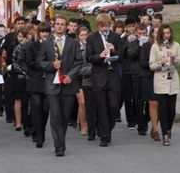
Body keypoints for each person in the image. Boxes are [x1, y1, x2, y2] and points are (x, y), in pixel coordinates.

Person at [37, 15, 83, 157]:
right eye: (57, 24)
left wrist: (71, 75)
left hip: (68, 83)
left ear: (67, 27)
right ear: (54, 26)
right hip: (52, 84)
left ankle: (61, 140)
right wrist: (51, 65)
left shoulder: (73, 43)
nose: (60, 26)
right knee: (55, 115)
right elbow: (39, 62)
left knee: (64, 116)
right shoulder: (46, 43)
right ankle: (59, 146)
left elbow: (79, 61)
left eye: (63, 24)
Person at [86, 13, 122, 147]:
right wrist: (100, 56)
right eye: (102, 26)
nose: (104, 29)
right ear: (98, 26)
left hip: (112, 77)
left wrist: (114, 51)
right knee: (101, 107)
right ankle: (104, 136)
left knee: (113, 106)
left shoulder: (115, 37)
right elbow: (89, 57)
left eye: (107, 26)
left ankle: (107, 129)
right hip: (98, 77)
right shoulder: (92, 38)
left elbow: (122, 56)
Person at [149, 24, 180, 146]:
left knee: (171, 109)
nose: (166, 35)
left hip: (172, 80)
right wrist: (161, 62)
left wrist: (173, 57)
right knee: (163, 108)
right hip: (161, 80)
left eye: (168, 33)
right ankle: (164, 134)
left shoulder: (176, 45)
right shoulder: (155, 47)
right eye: (164, 33)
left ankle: (169, 128)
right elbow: (152, 65)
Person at [26, 22, 51, 148]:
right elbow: (29, 62)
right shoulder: (32, 46)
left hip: (48, 81)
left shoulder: (52, 45)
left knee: (46, 108)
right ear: (38, 33)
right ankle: (37, 133)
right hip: (35, 80)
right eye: (42, 32)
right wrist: (41, 65)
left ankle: (42, 129)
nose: (45, 34)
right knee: (36, 106)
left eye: (47, 31)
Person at [139, 26, 160, 140]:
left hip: (161, 77)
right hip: (148, 76)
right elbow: (142, 62)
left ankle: (154, 125)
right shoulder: (147, 46)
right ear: (151, 33)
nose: (157, 34)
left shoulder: (164, 46)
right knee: (153, 103)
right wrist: (154, 63)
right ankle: (155, 129)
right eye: (155, 32)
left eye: (159, 32)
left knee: (160, 103)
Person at [10, 27, 30, 131]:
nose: (22, 38)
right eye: (20, 36)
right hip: (18, 76)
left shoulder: (30, 46)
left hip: (29, 76)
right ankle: (18, 123)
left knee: (27, 100)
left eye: (24, 36)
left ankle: (27, 121)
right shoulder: (16, 47)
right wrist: (21, 71)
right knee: (18, 99)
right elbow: (13, 61)